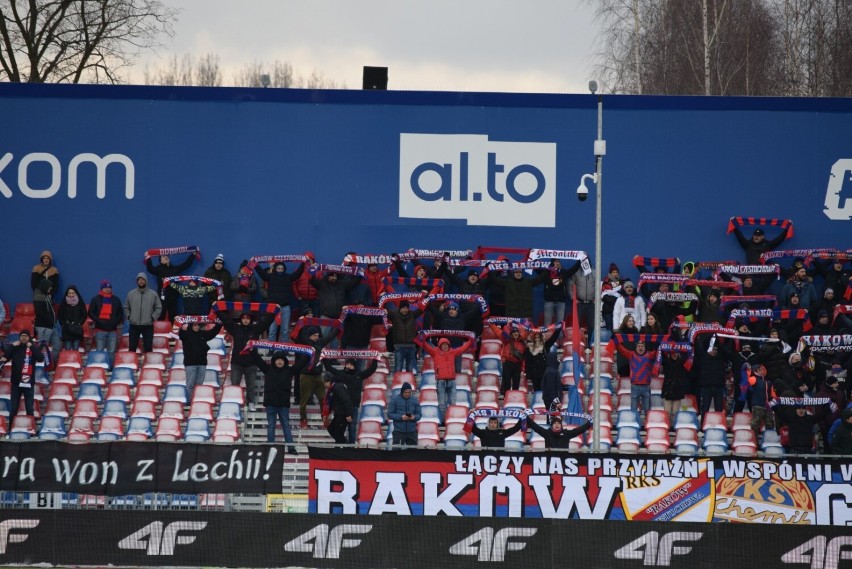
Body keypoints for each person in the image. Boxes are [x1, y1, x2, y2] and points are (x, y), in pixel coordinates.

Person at [251, 348, 306, 453]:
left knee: (285, 425)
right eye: (277, 359)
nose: (280, 361)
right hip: (271, 404)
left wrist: (309, 354)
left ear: (285, 361)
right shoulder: (267, 369)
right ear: (274, 361)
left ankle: (291, 447)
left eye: (282, 359)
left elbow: (301, 364)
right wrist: (251, 350)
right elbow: (258, 359)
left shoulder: (289, 371)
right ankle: (270, 447)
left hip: (283, 404)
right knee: (271, 425)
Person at [221, 312, 272, 412]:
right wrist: (217, 309)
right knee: (235, 384)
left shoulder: (256, 329)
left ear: (251, 320)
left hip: (251, 362)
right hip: (237, 362)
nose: (245, 320)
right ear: (241, 319)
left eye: (247, 318)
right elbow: (226, 321)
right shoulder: (235, 329)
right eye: (243, 318)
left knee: (251, 385)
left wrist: (274, 312)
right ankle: (235, 403)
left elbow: (267, 322)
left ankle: (251, 402)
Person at [324, 357, 379, 443]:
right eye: (347, 364)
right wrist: (324, 358)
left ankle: (351, 446)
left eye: (351, 364)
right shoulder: (341, 374)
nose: (349, 366)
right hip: (343, 408)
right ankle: (341, 445)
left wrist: (375, 360)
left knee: (352, 428)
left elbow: (371, 370)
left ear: (355, 366)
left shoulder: (359, 375)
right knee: (339, 430)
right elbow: (329, 368)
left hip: (354, 406)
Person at [295, 325, 340, 428]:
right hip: (306, 375)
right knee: (304, 400)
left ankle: (325, 418)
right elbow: (294, 336)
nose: (317, 337)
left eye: (318, 335)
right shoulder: (303, 344)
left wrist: (338, 325)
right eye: (315, 335)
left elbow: (330, 337)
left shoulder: (319, 342)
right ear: (309, 336)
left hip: (318, 375)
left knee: (323, 399)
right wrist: (300, 322)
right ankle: (303, 420)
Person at [420, 336, 474, 415]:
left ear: (449, 345)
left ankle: (451, 418)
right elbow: (425, 346)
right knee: (441, 403)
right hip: (440, 381)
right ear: (440, 345)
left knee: (453, 403)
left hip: (451, 381)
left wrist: (470, 341)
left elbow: (463, 348)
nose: (445, 346)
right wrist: (422, 338)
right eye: (443, 345)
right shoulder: (435, 352)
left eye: (446, 345)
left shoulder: (453, 352)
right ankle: (442, 422)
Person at [255, 260, 305, 342]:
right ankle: (271, 349)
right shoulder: (269, 277)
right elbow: (261, 273)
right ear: (275, 268)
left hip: (285, 307)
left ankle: (284, 350)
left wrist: (303, 264)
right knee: (272, 330)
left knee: (285, 331)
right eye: (278, 268)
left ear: (284, 269)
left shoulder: (288, 277)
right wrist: (256, 265)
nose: (280, 270)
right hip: (273, 308)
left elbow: (297, 274)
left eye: (282, 268)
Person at [0, 330, 44, 416]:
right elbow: (5, 358)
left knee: (29, 409)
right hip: (16, 383)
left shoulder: (33, 348)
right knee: (13, 409)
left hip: (28, 383)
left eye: (25, 336)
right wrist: (12, 346)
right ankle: (11, 428)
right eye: (22, 336)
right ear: (19, 337)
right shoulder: (15, 348)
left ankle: (30, 427)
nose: (23, 337)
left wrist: (32, 347)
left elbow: (40, 358)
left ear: (29, 338)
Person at [179, 320, 224, 396]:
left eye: (198, 325)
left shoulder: (203, 334)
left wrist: (219, 324)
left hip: (202, 363)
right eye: (195, 325)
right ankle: (189, 402)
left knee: (199, 385)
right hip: (190, 364)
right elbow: (179, 332)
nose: (197, 327)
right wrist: (180, 324)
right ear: (190, 326)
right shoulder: (186, 335)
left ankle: (196, 401)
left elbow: (213, 332)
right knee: (190, 385)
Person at [613, 338, 657, 415]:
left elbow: (658, 351)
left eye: (642, 346)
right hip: (635, 386)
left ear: (645, 347)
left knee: (647, 410)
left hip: (646, 386)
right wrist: (615, 340)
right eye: (639, 346)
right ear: (636, 347)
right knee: (633, 409)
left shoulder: (650, 355)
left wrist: (661, 342)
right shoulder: (631, 354)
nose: (640, 347)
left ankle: (648, 424)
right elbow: (621, 350)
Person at [146, 252, 195, 321]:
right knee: (160, 318)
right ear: (160, 260)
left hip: (173, 298)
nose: (166, 257)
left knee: (173, 318)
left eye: (166, 255)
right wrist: (148, 258)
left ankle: (174, 332)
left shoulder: (174, 269)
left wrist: (193, 254)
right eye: (163, 256)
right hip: (162, 298)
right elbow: (150, 269)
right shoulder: (158, 269)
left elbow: (186, 265)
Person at [124, 273, 162, 353]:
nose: (141, 281)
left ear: (146, 281)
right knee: (132, 347)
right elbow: (126, 307)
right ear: (137, 281)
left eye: (142, 279)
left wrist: (152, 317)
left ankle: (148, 364)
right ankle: (131, 364)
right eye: (139, 280)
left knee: (148, 347)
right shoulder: (131, 294)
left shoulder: (153, 294)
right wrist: (129, 317)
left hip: (148, 325)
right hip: (134, 325)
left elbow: (158, 307)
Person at [87, 280, 124, 358]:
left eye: (109, 287)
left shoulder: (116, 299)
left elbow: (120, 313)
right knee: (100, 351)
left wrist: (116, 321)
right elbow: (90, 312)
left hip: (112, 331)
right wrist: (98, 320)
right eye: (106, 288)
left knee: (111, 351)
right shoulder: (96, 299)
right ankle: (101, 368)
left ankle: (110, 367)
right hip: (100, 330)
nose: (108, 289)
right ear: (101, 289)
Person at [385, 300, 421, 372]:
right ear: (400, 308)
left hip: (411, 346)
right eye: (403, 308)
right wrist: (381, 298)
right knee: (398, 368)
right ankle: (397, 383)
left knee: (410, 369)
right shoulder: (394, 315)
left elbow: (422, 309)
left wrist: (427, 297)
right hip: (399, 346)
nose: (405, 309)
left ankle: (409, 383)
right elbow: (383, 310)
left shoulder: (413, 314)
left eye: (406, 308)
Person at [525, 412, 591, 450]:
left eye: (558, 423)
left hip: (563, 460)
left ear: (561, 425)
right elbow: (535, 427)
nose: (557, 425)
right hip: (549, 461)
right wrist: (526, 417)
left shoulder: (566, 433)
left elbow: (579, 430)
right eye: (555, 423)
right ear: (551, 425)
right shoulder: (547, 433)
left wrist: (589, 423)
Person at [524, 329, 561, 393]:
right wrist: (528, 376)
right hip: (534, 374)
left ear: (541, 338)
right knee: (536, 391)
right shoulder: (529, 348)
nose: (537, 339)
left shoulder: (545, 346)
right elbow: (528, 363)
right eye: (535, 337)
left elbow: (553, 338)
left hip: (544, 372)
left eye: (538, 337)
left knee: (544, 390)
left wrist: (558, 329)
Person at [322, 372, 354, 444]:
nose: (324, 385)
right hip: (338, 414)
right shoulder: (333, 388)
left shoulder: (338, 387)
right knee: (332, 429)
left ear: (328, 381)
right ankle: (341, 446)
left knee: (337, 433)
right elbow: (330, 403)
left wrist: (348, 414)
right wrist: (325, 414)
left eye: (324, 383)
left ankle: (346, 446)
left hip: (343, 414)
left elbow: (346, 400)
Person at [387, 381, 421, 446]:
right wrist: (401, 417)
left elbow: (419, 414)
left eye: (409, 392)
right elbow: (390, 414)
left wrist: (414, 417)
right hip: (399, 431)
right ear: (402, 391)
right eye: (406, 392)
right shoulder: (394, 399)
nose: (407, 394)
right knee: (397, 452)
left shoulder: (415, 400)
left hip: (412, 431)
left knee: (413, 453)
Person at [33, 278, 61, 355]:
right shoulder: (38, 297)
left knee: (57, 345)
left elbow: (51, 309)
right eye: (49, 286)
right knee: (43, 347)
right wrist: (50, 321)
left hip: (51, 326)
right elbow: (40, 313)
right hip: (43, 327)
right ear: (45, 287)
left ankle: (52, 363)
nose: (51, 288)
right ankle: (42, 365)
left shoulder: (47, 296)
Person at [57, 285, 87, 351]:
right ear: (67, 294)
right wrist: (64, 324)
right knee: (67, 349)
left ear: (76, 293)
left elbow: (84, 315)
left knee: (75, 349)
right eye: (69, 293)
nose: (71, 294)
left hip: (77, 330)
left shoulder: (81, 303)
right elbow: (59, 316)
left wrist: (79, 323)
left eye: (73, 293)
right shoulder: (64, 304)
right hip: (67, 331)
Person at [601, 263, 625, 331]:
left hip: (619, 310)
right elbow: (604, 297)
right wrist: (616, 300)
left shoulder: (622, 283)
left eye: (616, 272)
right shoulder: (605, 283)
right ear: (610, 273)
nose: (615, 273)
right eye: (613, 272)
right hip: (608, 310)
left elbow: (623, 295)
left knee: (618, 328)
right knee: (609, 328)